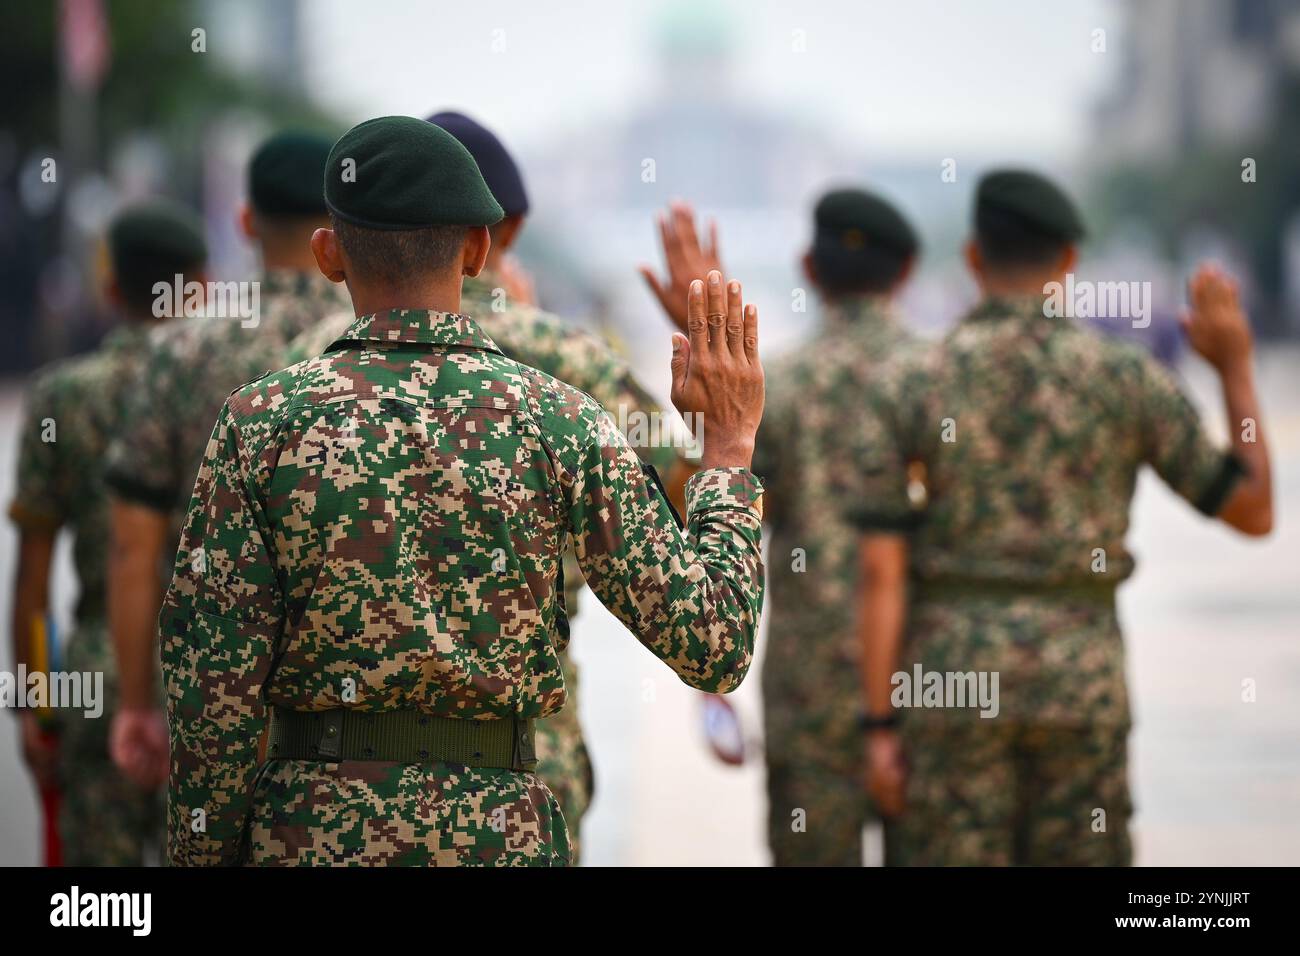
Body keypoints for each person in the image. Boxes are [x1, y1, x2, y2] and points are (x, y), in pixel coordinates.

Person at [161, 115, 766, 866]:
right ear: (478, 250)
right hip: (496, 837)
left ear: (328, 254)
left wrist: (203, 853)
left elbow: (209, 696)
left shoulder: (258, 423)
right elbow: (715, 643)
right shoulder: (564, 422)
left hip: (308, 835)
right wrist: (730, 452)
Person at [284, 112, 697, 858]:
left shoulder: (294, 376)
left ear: (336, 248)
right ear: (488, 238)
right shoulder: (565, 364)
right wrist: (715, 412)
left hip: (321, 780)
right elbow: (683, 500)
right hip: (516, 752)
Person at [853, 169, 1273, 866]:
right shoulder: (1124, 380)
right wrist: (1235, 370)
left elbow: (878, 570)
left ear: (974, 257)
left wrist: (876, 727)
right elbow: (1253, 512)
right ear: (1070, 262)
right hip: (1082, 684)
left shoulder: (910, 382)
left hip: (952, 682)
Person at [104, 131, 347, 790]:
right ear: (340, 228)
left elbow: (133, 546)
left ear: (245, 223)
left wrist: (137, 704)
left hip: (214, 705)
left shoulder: (181, 352)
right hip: (352, 719)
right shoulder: (378, 349)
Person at [7, 200, 208, 864]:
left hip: (95, 684)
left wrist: (36, 704)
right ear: (201, 284)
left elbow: (33, 575)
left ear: (112, 288)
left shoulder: (63, 396)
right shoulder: (238, 386)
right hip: (208, 685)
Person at [750, 188, 919, 866]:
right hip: (930, 672)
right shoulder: (940, 377)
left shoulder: (778, 386)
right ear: (906, 271)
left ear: (809, 270)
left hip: (808, 682)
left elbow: (726, 517)